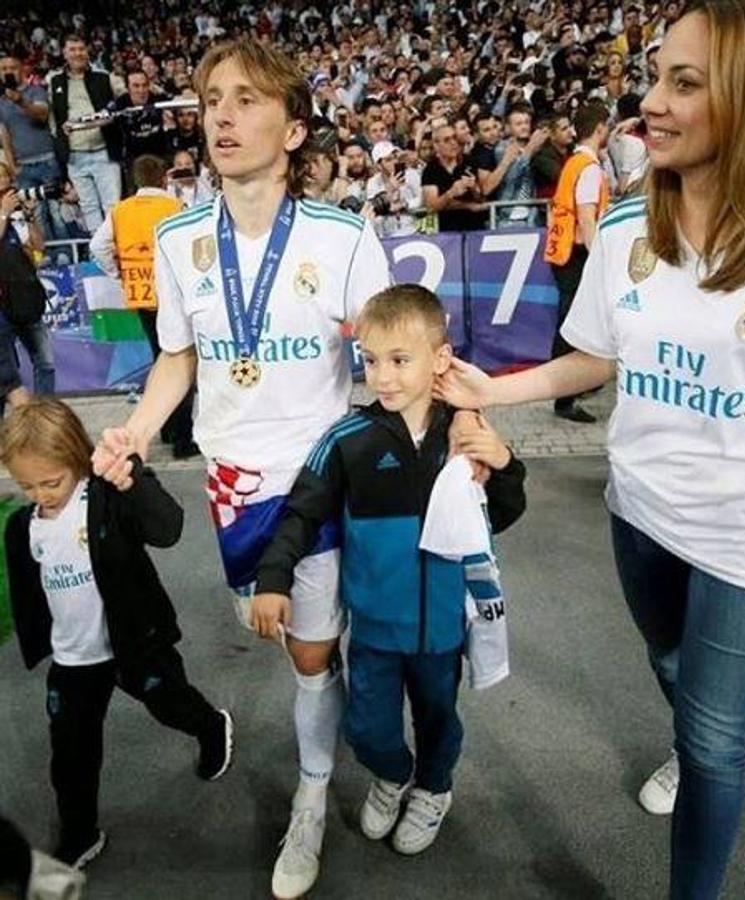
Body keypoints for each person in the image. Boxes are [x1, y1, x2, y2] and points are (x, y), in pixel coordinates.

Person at [438, 3, 745, 898]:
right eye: (655, 78)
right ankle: (688, 734)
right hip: (637, 512)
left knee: (716, 737)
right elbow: (595, 358)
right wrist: (496, 389)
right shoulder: (624, 226)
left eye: (683, 83)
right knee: (673, 669)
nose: (650, 103)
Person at [91, 39, 391, 900]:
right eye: (213, 98)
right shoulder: (183, 238)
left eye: (248, 100)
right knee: (283, 638)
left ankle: (311, 790)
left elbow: (388, 360)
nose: (222, 114)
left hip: (319, 482)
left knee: (307, 654)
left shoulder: (342, 236)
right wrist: (137, 431)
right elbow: (177, 360)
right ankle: (335, 717)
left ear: (294, 130)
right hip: (234, 486)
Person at [251, 284, 526, 855]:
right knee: (368, 729)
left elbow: (501, 513)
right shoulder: (346, 438)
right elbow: (302, 513)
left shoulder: (465, 432)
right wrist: (274, 580)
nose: (383, 377)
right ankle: (393, 775)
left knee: (439, 723)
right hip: (374, 629)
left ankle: (433, 788)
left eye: (400, 360)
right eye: (371, 361)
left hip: (443, 631)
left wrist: (502, 463)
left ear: (440, 360)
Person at [1, 398, 233, 870]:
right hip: (73, 660)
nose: (41, 495)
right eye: (26, 486)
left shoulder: (107, 497)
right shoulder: (21, 526)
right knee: (70, 753)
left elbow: (168, 528)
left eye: (52, 482)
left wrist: (133, 474)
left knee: (172, 704)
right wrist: (41, 642)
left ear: (77, 460)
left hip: (136, 645)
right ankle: (80, 832)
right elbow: (30, 590)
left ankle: (212, 726)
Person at [89, 154, 198, 459]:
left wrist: (119, 273)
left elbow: (98, 246)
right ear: (164, 178)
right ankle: (181, 437)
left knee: (160, 358)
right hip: (172, 295)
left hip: (141, 294)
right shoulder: (174, 207)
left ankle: (164, 426)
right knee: (181, 360)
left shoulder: (120, 211)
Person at [544, 102, 611, 424]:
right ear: (600, 129)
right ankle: (564, 395)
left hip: (564, 250)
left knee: (572, 320)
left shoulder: (574, 162)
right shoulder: (589, 167)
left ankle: (576, 385)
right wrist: (600, 259)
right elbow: (586, 216)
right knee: (572, 323)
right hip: (577, 252)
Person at [48, 35, 123, 234]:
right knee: (88, 208)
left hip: (104, 151)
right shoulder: (54, 81)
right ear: (64, 53)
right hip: (74, 154)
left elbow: (123, 98)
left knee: (112, 206)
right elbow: (52, 117)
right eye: (72, 49)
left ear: (87, 52)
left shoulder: (104, 76)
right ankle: (99, 254)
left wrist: (111, 112)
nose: (77, 54)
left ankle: (119, 252)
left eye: (81, 49)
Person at [0, 160, 56, 399]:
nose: (3, 182)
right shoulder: (5, 212)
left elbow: (39, 246)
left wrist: (31, 216)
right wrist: (3, 212)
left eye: (4, 177)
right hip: (3, 305)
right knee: (7, 375)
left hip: (26, 297)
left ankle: (44, 416)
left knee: (45, 362)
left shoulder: (17, 212)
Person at [0, 54, 66, 240]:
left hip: (46, 159)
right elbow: (4, 135)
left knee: (57, 212)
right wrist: (12, 166)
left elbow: (42, 115)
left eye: (12, 68)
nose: (8, 72)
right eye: (4, 69)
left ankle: (66, 254)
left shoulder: (36, 91)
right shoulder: (1, 102)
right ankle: (48, 256)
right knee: (36, 215)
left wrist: (19, 100)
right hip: (23, 166)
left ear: (22, 70)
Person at [422, 122, 488, 232]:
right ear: (436, 145)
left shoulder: (470, 162)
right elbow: (431, 206)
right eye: (447, 140)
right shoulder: (430, 170)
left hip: (475, 228)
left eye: (454, 138)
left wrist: (474, 188)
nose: (453, 143)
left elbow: (481, 200)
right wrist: (451, 193)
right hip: (448, 232)